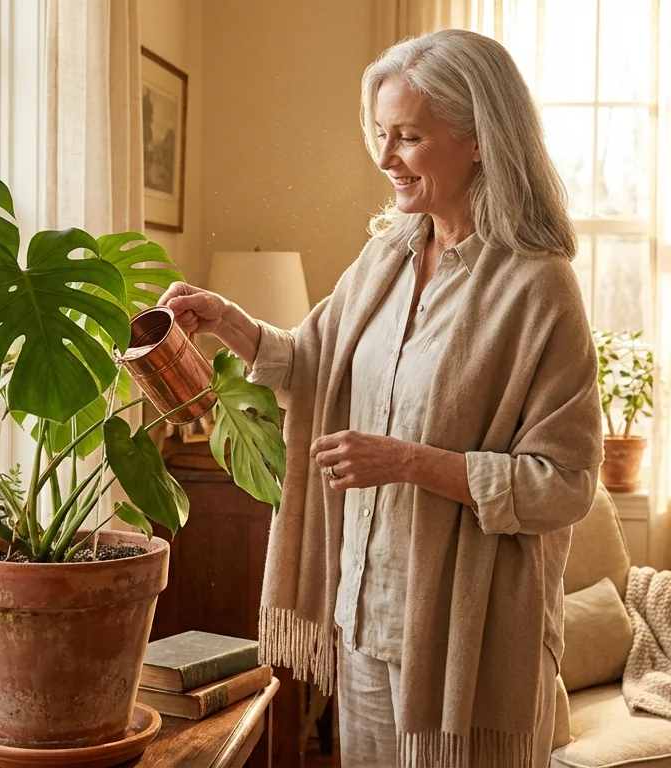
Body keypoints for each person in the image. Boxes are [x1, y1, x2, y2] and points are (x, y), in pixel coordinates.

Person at [157, 28, 601, 768]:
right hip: (362, 614)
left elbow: (566, 484)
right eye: (382, 134)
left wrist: (411, 462)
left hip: (469, 642)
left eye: (409, 137)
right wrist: (228, 322)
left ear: (480, 140)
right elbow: (314, 363)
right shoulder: (385, 256)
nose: (385, 157)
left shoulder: (538, 286)